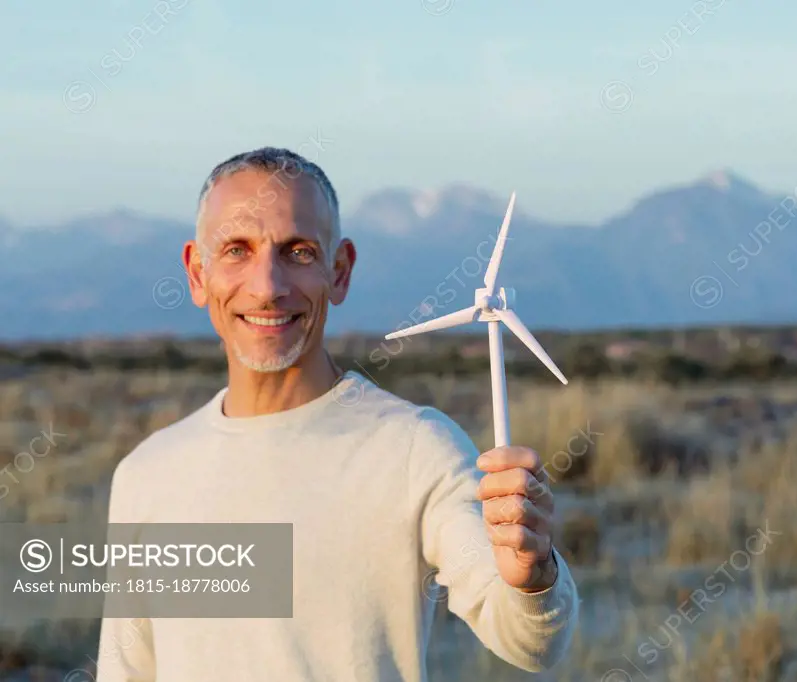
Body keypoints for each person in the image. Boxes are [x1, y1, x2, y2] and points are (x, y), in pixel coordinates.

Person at [95, 147, 579, 681]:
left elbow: (530, 640)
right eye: (237, 250)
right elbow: (127, 669)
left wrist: (533, 578)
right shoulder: (146, 474)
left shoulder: (417, 448)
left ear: (340, 270)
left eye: (298, 252)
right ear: (196, 273)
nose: (268, 287)